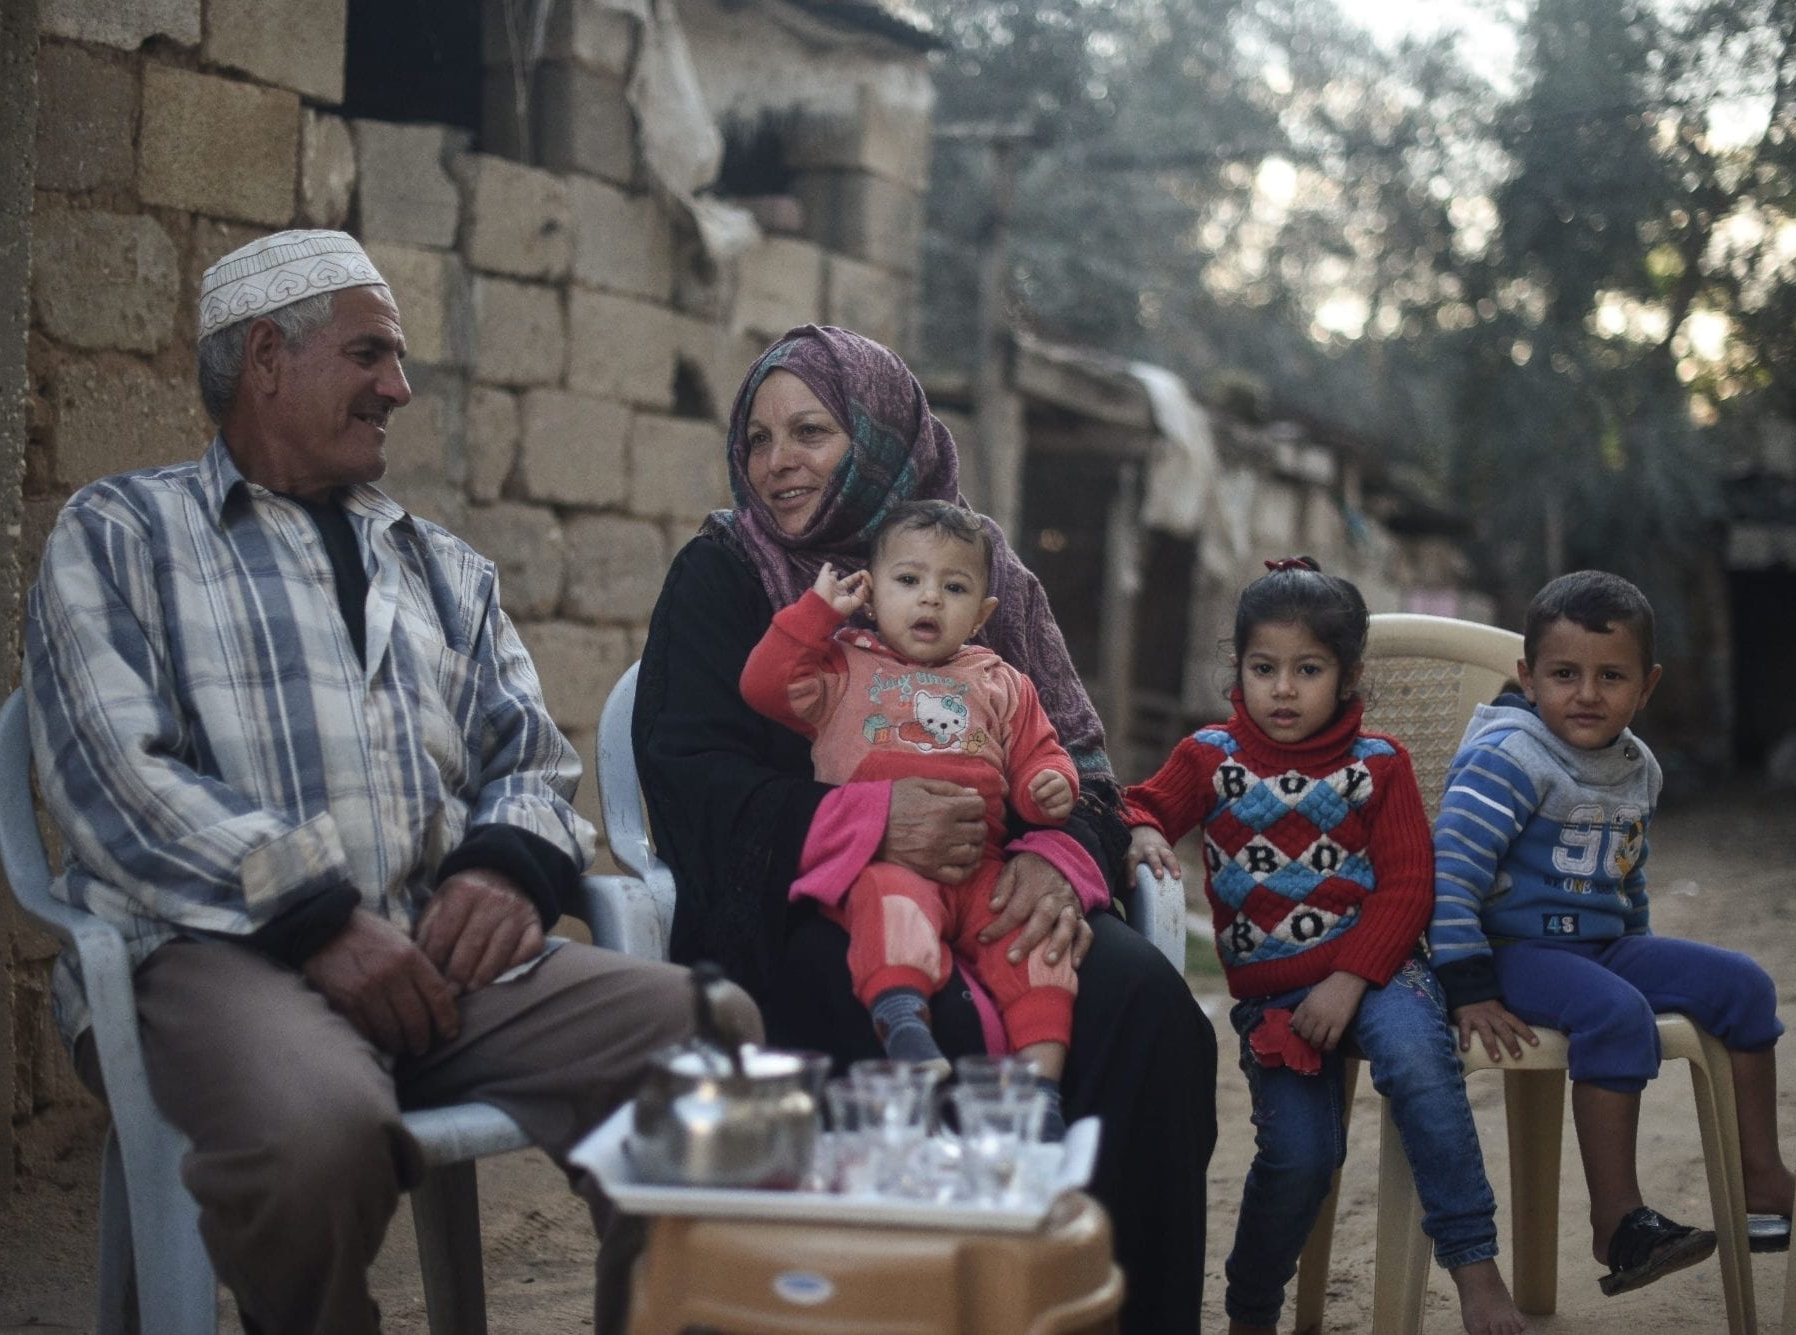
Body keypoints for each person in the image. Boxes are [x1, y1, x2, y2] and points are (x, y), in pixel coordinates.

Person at [24, 229, 746, 1334]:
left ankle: (670, 1318)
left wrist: (506, 874)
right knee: (317, 1133)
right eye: (370, 355)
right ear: (267, 357)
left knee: (711, 1050)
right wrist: (314, 916)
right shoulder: (120, 534)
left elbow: (531, 759)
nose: (398, 389)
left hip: (437, 959)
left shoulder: (443, 567)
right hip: (214, 957)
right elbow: (116, 781)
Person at [634, 324, 1218, 1333]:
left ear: (877, 435)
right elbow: (687, 780)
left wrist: (1057, 856)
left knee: (1148, 1011)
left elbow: (1074, 766)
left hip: (996, 893)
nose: (777, 464)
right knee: (921, 1030)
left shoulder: (970, 569)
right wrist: (866, 820)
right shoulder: (723, 576)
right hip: (800, 910)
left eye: (810, 431)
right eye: (758, 439)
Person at [1429, 569, 1796, 1296]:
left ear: (1645, 686)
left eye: (1610, 676)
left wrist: (1641, 950)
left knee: (1744, 985)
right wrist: (1467, 986)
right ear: (1528, 676)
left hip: (1603, 944)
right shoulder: (1508, 757)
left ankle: (1758, 1174)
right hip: (1512, 952)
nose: (1586, 692)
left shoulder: (1636, 765)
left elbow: (1627, 869)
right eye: (1563, 673)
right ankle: (1619, 1224)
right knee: (1613, 1014)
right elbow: (1449, 872)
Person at [1125, 557, 1525, 1335]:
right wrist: (1142, 826)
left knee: (1417, 1062)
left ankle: (1476, 1268)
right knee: (1301, 1157)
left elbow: (1410, 886)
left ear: (1347, 677)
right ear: (1237, 666)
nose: (1282, 688)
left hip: (1380, 972)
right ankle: (1252, 1307)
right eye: (1263, 667)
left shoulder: (1377, 765)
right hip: (1276, 1001)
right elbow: (1142, 802)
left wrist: (1349, 977)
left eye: (1307, 669)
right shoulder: (1211, 757)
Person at [740, 499, 1079, 1133]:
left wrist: (1048, 786)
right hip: (884, 858)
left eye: (953, 587)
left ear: (981, 615)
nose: (930, 600)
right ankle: (904, 1029)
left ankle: (1040, 1095)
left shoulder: (1000, 680)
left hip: (984, 867)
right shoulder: (842, 668)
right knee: (889, 910)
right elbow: (764, 687)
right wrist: (815, 616)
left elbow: (1039, 753)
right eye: (908, 580)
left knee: (1038, 950)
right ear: (870, 595)